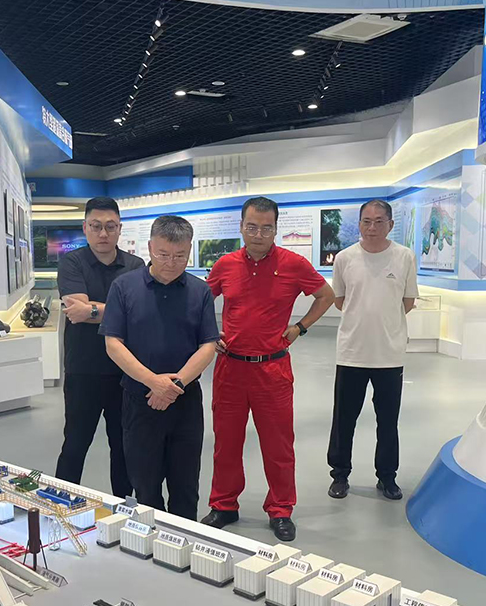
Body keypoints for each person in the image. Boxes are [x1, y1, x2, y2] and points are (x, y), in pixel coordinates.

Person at [200, 197, 334, 542]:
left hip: (272, 371)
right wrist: (209, 334)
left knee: (279, 445)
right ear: (241, 227)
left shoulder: (293, 264)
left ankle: (280, 509)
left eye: (266, 228)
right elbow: (199, 302)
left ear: (275, 229)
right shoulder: (225, 265)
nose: (258, 234)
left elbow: (326, 295)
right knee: (226, 443)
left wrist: (299, 327)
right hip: (230, 369)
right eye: (252, 227)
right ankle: (224, 504)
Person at [101, 215, 219, 519]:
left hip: (185, 401)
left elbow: (208, 345)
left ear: (189, 250)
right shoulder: (124, 287)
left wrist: (174, 386)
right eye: (163, 254)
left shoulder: (200, 291)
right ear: (150, 247)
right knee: (145, 485)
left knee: (186, 485)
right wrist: (154, 382)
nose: (171, 263)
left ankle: (185, 540)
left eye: (180, 256)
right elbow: (113, 344)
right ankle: (150, 541)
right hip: (140, 400)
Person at [326, 199, 419, 502]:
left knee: (388, 421)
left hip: (389, 354)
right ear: (359, 224)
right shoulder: (345, 258)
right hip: (352, 352)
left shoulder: (404, 257)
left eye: (379, 221)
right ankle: (340, 474)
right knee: (344, 419)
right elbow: (340, 300)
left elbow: (407, 301)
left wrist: (385, 323)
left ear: (390, 224)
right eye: (366, 221)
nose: (372, 227)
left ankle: (387, 477)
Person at [54, 196, 144, 497]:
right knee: (75, 444)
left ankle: (125, 507)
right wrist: (120, 310)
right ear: (85, 228)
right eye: (96, 226)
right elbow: (76, 312)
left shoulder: (135, 266)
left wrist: (92, 310)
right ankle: (61, 504)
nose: (103, 233)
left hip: (126, 372)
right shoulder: (72, 262)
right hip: (83, 371)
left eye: (110, 226)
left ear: (120, 228)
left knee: (124, 447)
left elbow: (137, 312)